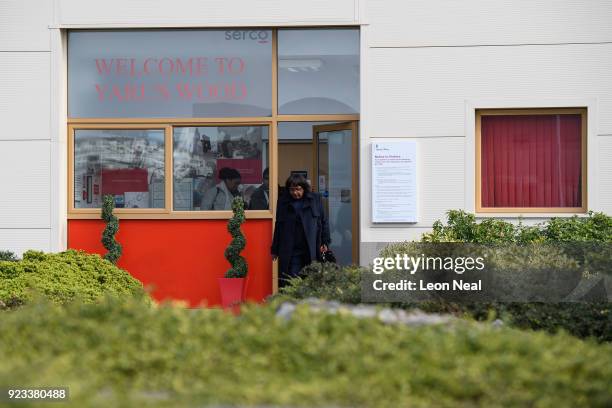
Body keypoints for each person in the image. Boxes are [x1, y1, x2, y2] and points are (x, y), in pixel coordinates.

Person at [271, 174, 330, 287]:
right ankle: (294, 303)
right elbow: (278, 226)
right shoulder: (283, 202)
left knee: (310, 278)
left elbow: (323, 222)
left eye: (298, 189)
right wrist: (274, 249)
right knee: (292, 279)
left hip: (311, 248)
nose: (295, 193)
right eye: (292, 190)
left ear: (304, 188)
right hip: (291, 249)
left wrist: (325, 241)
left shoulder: (315, 200)